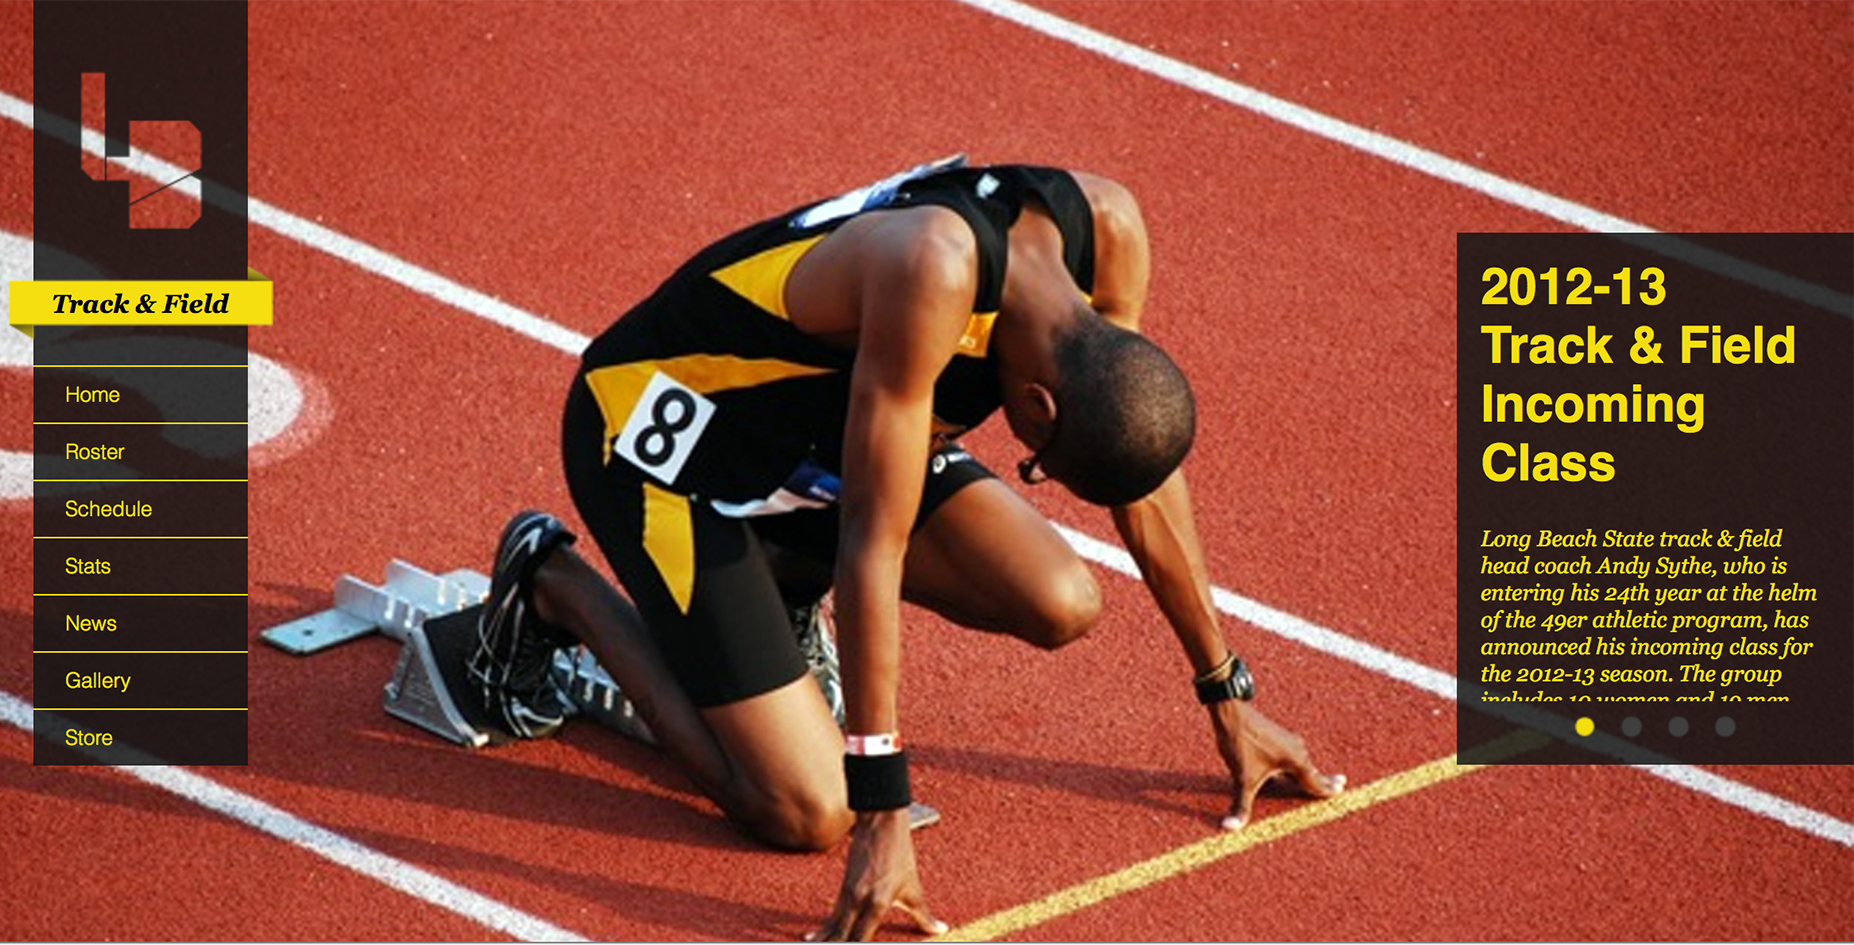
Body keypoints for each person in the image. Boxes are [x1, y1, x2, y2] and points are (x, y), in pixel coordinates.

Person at [465, 156, 1344, 941]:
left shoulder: (1109, 230)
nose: (1024, 462)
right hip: (664, 457)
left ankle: (773, 607)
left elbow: (1135, 460)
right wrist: (879, 807)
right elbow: (871, 543)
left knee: (1062, 598)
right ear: (1032, 409)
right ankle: (554, 585)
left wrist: (1225, 689)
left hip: (814, 456)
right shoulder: (931, 270)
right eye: (1035, 464)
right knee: (809, 809)